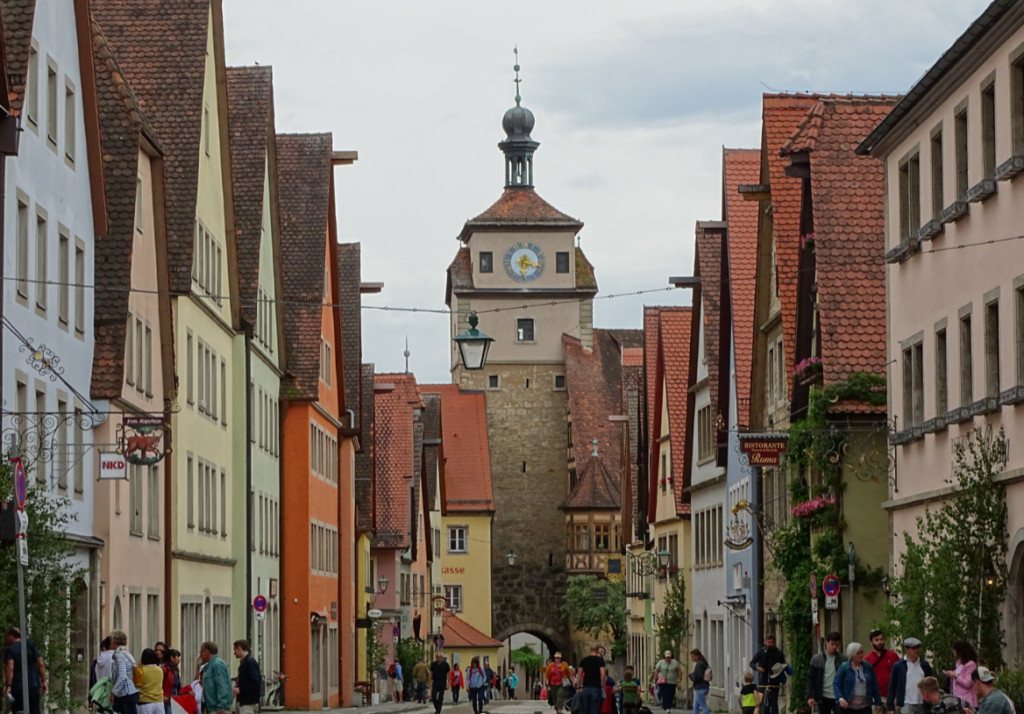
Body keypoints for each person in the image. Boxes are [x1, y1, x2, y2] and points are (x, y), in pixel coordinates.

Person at [3, 627, 47, 714]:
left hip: (18, 688)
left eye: (7, 637)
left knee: (19, 711)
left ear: (11, 636)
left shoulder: (10, 649)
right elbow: (40, 664)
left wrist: (9, 686)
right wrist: (44, 681)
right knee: (34, 710)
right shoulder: (30, 645)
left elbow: (10, 667)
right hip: (33, 686)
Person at [833, 642, 883, 714]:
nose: (861, 655)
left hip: (865, 707)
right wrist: (840, 699)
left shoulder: (867, 667)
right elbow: (836, 684)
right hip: (848, 707)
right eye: (858, 653)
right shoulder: (844, 667)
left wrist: (878, 702)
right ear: (852, 655)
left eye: (862, 652)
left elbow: (874, 685)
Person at [887, 637, 932, 714]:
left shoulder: (924, 665)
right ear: (906, 649)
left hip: (922, 703)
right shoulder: (899, 666)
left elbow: (931, 684)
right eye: (913, 648)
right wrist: (890, 706)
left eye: (918, 647)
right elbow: (892, 686)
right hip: (906, 703)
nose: (917, 650)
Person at [809, 632, 847, 714]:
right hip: (823, 697)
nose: (834, 647)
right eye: (832, 644)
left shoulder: (843, 659)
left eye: (836, 645)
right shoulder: (817, 659)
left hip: (838, 696)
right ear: (826, 642)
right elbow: (811, 678)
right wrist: (810, 696)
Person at [751, 636, 787, 714]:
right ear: (765, 642)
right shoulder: (761, 652)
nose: (770, 644)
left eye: (771, 642)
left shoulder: (779, 652)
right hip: (764, 680)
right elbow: (752, 663)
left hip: (775, 681)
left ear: (774, 642)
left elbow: (783, 665)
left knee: (774, 704)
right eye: (768, 642)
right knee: (765, 703)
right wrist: (757, 668)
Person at [864, 630, 900, 702]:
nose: (880, 642)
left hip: (893, 696)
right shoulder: (866, 660)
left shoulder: (893, 656)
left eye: (881, 639)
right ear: (871, 642)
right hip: (876, 697)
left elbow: (900, 674)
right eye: (876, 640)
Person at [109, 630, 140, 714]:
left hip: (127, 693)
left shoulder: (119, 655)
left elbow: (122, 676)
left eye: (111, 639)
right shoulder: (126, 653)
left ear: (115, 641)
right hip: (132, 691)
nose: (110, 642)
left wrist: (113, 693)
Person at [198, 642, 232, 714]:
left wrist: (220, 706)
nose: (200, 654)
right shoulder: (209, 666)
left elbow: (222, 686)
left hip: (217, 708)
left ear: (207, 652)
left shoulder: (217, 664)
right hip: (211, 707)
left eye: (201, 651)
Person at [944, 641, 979, 710]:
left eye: (955, 652)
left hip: (966, 700)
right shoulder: (959, 663)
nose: (954, 654)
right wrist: (949, 674)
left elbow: (968, 683)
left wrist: (955, 675)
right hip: (956, 698)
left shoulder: (970, 664)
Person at [232, 640, 261, 714]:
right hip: (243, 700)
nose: (234, 653)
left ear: (239, 648)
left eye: (234, 650)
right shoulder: (245, 662)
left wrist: (240, 689)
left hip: (247, 701)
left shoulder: (249, 662)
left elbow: (255, 682)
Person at [576, 647, 608, 714]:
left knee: (585, 710)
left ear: (590, 651)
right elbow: (603, 675)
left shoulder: (584, 660)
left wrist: (578, 686)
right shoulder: (600, 660)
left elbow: (579, 674)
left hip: (586, 687)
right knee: (595, 710)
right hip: (596, 687)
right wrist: (603, 685)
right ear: (597, 652)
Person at [138, 649, 166, 714]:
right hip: (159, 702)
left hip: (145, 702)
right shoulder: (160, 670)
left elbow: (137, 685)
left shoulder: (140, 670)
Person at [689, 649, 711, 714]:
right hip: (703, 686)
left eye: (692, 656)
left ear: (697, 656)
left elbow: (698, 677)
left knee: (703, 706)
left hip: (700, 687)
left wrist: (691, 676)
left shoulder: (699, 665)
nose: (691, 658)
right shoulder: (703, 663)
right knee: (695, 706)